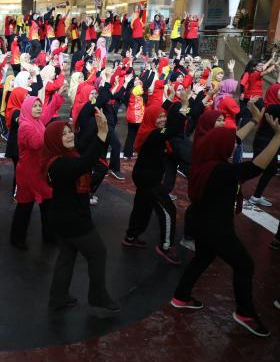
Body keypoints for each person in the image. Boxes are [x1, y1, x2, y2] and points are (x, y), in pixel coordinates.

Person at [172, 117, 280, 338]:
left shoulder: (204, 158)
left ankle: (181, 296)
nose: (234, 145)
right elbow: (255, 167)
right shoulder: (220, 170)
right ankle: (245, 313)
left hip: (201, 221)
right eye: (230, 144)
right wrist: (278, 137)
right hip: (216, 227)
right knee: (245, 265)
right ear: (221, 147)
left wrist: (254, 120)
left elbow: (232, 139)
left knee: (203, 257)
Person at [44, 116, 120, 315]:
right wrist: (101, 134)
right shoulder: (60, 164)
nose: (69, 136)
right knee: (98, 252)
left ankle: (58, 297)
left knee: (67, 257)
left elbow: (83, 155)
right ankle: (97, 296)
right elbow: (85, 163)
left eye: (70, 131)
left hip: (62, 218)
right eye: (63, 134)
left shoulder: (63, 156)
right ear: (54, 139)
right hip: (73, 220)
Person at [122, 93, 191, 265]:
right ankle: (165, 247)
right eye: (158, 117)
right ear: (151, 118)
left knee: (142, 207)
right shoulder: (152, 134)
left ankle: (131, 236)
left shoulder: (151, 131)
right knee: (168, 211)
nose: (162, 119)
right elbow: (173, 129)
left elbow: (169, 128)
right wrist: (184, 106)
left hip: (144, 176)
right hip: (149, 180)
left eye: (163, 116)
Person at [9, 91, 64, 251]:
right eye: (35, 106)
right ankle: (17, 239)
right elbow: (36, 143)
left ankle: (49, 235)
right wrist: (54, 135)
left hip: (40, 172)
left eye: (40, 105)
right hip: (28, 174)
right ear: (27, 108)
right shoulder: (25, 126)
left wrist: (57, 97)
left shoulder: (37, 122)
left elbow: (47, 113)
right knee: (25, 207)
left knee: (48, 203)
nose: (39, 108)